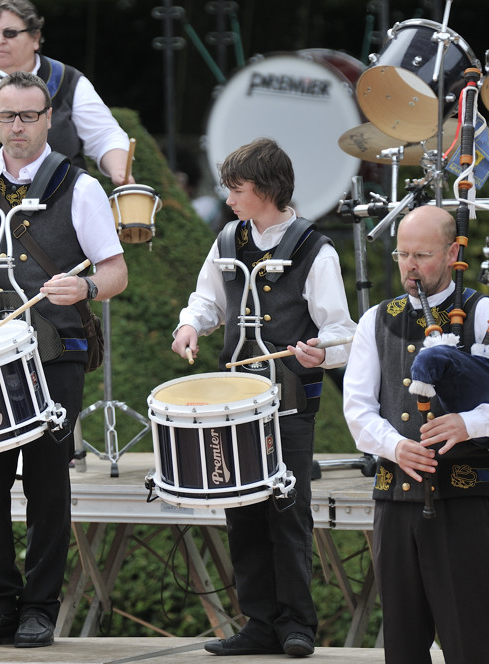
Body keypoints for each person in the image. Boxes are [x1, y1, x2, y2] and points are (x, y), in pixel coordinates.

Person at [0, 71, 127, 648]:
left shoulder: (79, 186)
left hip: (53, 351)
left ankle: (39, 607)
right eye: (7, 116)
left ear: (47, 120)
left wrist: (84, 290)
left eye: (28, 116)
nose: (16, 127)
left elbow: (115, 271)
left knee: (45, 482)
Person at [342, 204, 489, 663]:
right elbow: (357, 410)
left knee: (468, 638)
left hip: (462, 497)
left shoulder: (481, 313)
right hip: (395, 497)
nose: (411, 266)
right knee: (402, 640)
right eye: (402, 255)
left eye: (423, 254)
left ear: (455, 251)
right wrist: (395, 446)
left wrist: (469, 422)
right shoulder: (376, 319)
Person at [171, 138, 355, 657]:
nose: (228, 199)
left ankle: (297, 623)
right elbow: (207, 299)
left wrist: (323, 353)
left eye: (237, 189)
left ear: (268, 190)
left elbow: (341, 331)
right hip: (234, 404)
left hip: (290, 400)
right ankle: (258, 623)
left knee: (287, 510)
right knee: (242, 509)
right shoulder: (227, 239)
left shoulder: (315, 249)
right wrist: (190, 326)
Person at [0, 0, 133, 187]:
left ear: (35, 38)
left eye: (10, 33)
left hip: (59, 209)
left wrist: (119, 171)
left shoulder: (68, 81)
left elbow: (106, 137)